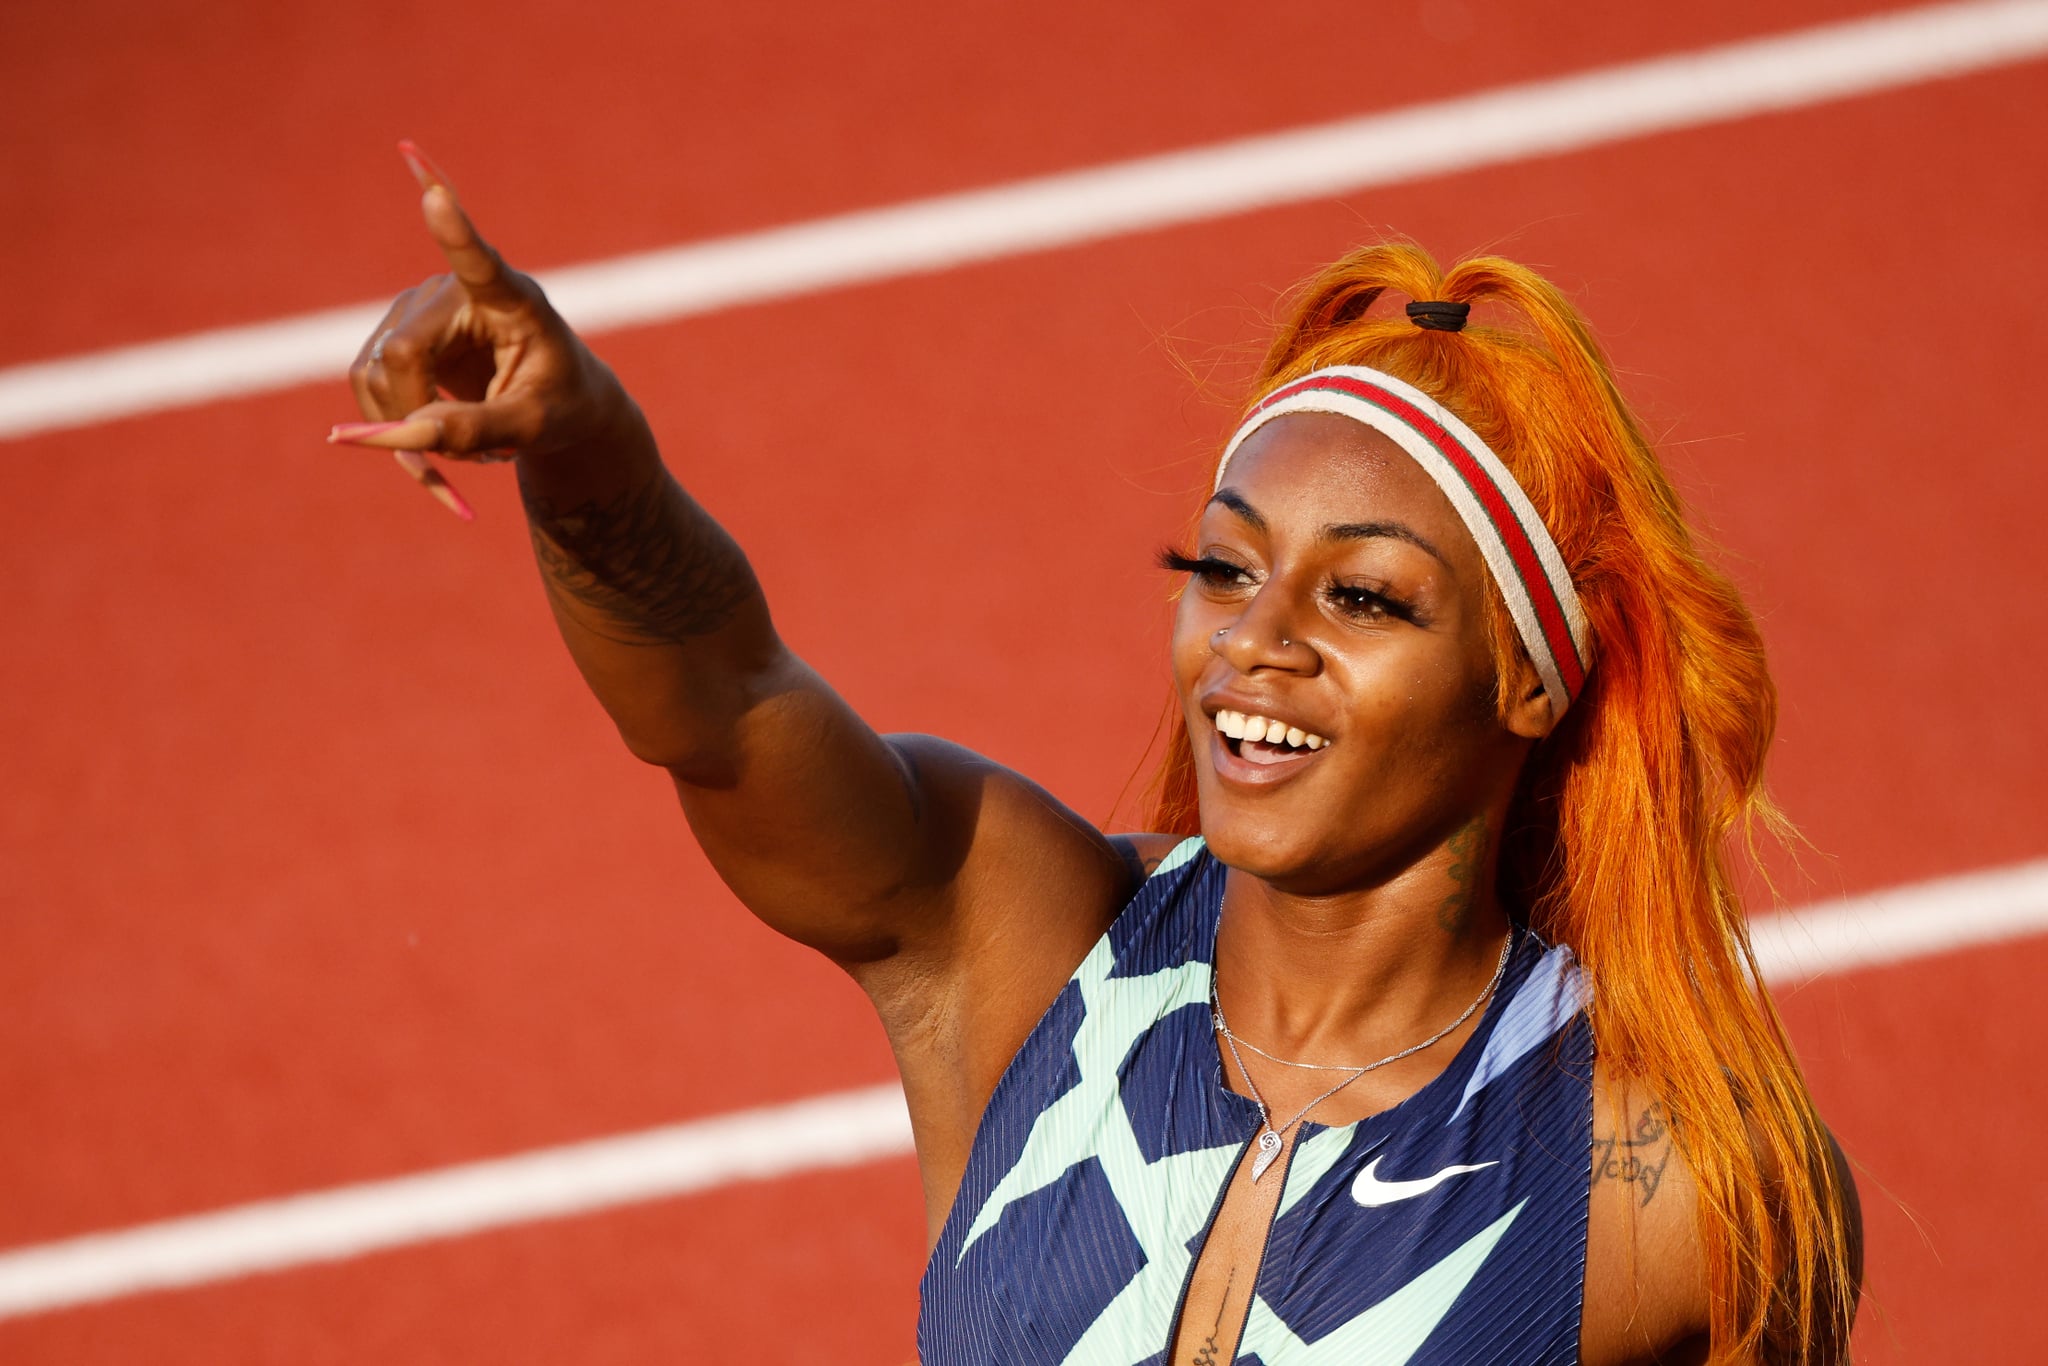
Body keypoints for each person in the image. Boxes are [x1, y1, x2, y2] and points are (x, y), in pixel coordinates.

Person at [337, 147, 1862, 1364]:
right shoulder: (1018, 942)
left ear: (1527, 679)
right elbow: (726, 709)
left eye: (1365, 596)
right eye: (1223, 568)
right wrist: (583, 450)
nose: (1255, 641)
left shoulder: (1672, 1186)